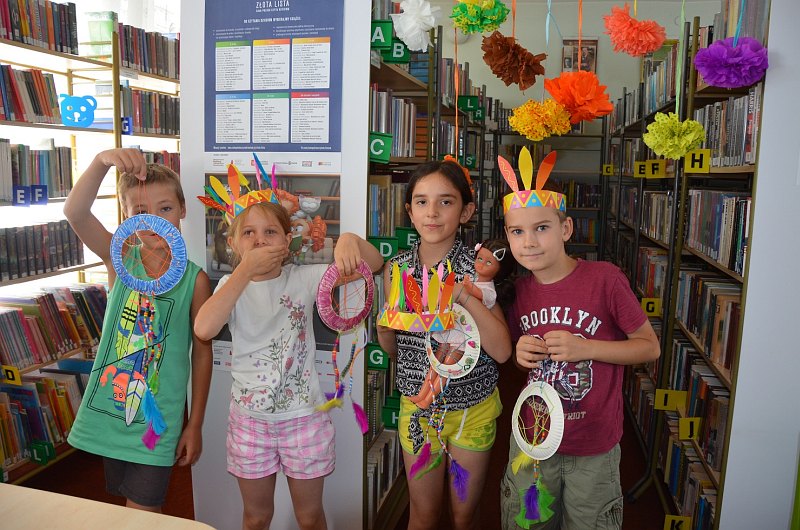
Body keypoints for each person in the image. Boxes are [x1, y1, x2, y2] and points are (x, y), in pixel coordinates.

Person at [193, 200, 383, 530]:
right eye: (249, 233)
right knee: (256, 518)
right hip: (250, 423)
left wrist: (350, 240)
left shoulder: (304, 278)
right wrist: (243, 271)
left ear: (286, 242)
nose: (259, 240)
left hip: (303, 419)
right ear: (234, 243)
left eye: (270, 232)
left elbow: (375, 263)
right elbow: (203, 329)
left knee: (309, 517)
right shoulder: (230, 286)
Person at [498, 178, 660, 529]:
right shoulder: (519, 291)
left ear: (566, 228)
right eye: (517, 232)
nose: (529, 242)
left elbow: (650, 346)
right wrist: (519, 355)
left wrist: (586, 348)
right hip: (533, 437)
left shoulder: (605, 279)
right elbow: (519, 361)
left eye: (542, 228)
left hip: (593, 446)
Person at [65, 148, 213, 513]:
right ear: (126, 216)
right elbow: (75, 212)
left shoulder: (194, 281)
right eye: (140, 212)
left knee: (142, 513)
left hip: (156, 422)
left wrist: (194, 424)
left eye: (166, 208)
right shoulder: (120, 259)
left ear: (183, 210)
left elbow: (201, 353)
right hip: (111, 412)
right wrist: (102, 161)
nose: (154, 221)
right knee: (128, 512)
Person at [376, 159, 512, 530]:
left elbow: (502, 351)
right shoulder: (397, 269)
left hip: (472, 408)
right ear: (409, 211)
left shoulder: (476, 268)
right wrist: (385, 330)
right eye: (421, 202)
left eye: (445, 202)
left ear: (466, 211)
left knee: (463, 516)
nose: (432, 212)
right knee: (423, 515)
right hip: (419, 409)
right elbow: (397, 352)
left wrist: (463, 295)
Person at [463, 238, 515, 310]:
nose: (481, 264)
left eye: (488, 263)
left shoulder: (489, 290)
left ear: (500, 270)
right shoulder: (472, 278)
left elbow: (479, 294)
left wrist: (468, 286)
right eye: (480, 259)